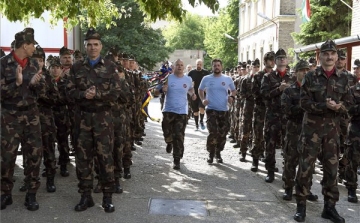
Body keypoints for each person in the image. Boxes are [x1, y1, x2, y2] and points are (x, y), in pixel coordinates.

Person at [294, 40, 353, 223]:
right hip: (311, 130)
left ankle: (329, 208)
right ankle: (301, 206)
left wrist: (340, 107)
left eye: (332, 54)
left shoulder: (344, 78)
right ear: (320, 57)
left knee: (331, 170)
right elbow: (303, 102)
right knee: (305, 168)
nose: (329, 56)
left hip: (332, 133)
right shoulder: (310, 76)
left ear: (336, 56)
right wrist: (323, 106)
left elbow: (350, 104)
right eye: (326, 53)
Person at [66, 27, 121, 213]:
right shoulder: (76, 67)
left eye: (95, 44)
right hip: (82, 119)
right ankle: (85, 196)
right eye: (89, 44)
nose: (92, 47)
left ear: (101, 46)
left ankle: (107, 197)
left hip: (103, 119)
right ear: (85, 47)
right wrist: (83, 94)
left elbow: (116, 93)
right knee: (83, 159)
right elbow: (68, 92)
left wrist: (98, 94)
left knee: (105, 158)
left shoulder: (110, 66)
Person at [1, 27, 44, 211]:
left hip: (31, 116)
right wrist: (16, 84)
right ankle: (5, 194)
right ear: (25, 45)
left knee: (33, 155)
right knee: (7, 157)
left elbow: (42, 91)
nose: (34, 47)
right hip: (10, 117)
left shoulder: (35, 65)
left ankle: (31, 194)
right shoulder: (3, 64)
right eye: (32, 44)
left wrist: (35, 84)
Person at [280, 59, 318, 201]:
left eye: (307, 70)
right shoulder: (290, 91)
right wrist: (304, 106)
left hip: (310, 132)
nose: (305, 73)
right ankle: (288, 188)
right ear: (296, 73)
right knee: (291, 160)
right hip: (294, 131)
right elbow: (286, 111)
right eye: (302, 70)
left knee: (308, 164)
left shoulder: (314, 91)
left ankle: (305, 190)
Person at [260, 48, 294, 183]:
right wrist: (278, 89)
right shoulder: (268, 77)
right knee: (270, 144)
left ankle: (288, 173)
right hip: (273, 115)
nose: (281, 60)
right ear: (275, 61)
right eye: (279, 58)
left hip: (288, 117)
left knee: (288, 146)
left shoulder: (292, 77)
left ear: (287, 60)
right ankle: (270, 171)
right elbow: (264, 95)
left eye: (283, 58)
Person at [155, 59, 196, 169]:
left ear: (184, 67)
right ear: (174, 67)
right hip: (168, 110)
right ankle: (169, 142)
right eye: (177, 65)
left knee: (179, 135)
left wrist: (193, 95)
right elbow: (156, 91)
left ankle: (176, 159)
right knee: (166, 129)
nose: (179, 67)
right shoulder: (168, 78)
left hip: (182, 112)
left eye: (181, 65)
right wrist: (162, 89)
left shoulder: (188, 79)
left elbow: (191, 89)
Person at [198, 59, 236, 164]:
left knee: (223, 133)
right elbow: (200, 89)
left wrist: (231, 96)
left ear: (221, 67)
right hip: (211, 109)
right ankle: (211, 154)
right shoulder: (206, 78)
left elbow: (233, 90)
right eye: (215, 66)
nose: (217, 67)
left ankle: (218, 152)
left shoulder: (227, 79)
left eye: (218, 65)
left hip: (223, 110)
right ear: (212, 67)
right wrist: (203, 99)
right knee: (213, 132)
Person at [250, 51, 275, 172]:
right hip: (260, 109)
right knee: (258, 135)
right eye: (270, 60)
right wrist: (267, 96)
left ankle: (270, 162)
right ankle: (255, 160)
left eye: (274, 60)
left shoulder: (276, 75)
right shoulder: (259, 75)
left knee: (270, 137)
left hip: (272, 111)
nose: (272, 62)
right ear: (265, 61)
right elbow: (254, 92)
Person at [344, 58, 360, 203]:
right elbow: (349, 109)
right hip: (356, 129)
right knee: (353, 160)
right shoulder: (353, 90)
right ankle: (351, 189)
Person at [238, 59, 260, 162]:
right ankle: (243, 152)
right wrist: (252, 95)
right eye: (254, 66)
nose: (255, 68)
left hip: (259, 108)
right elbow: (241, 94)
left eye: (257, 67)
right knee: (245, 131)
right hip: (248, 107)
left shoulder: (261, 79)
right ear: (250, 67)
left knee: (258, 132)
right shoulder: (245, 79)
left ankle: (258, 153)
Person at [188, 59, 209, 130]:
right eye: (197, 64)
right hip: (194, 94)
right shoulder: (191, 73)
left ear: (202, 64)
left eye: (200, 64)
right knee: (195, 111)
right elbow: (187, 81)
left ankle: (201, 121)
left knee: (201, 108)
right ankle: (196, 125)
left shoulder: (206, 73)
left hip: (203, 93)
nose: (199, 66)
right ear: (195, 64)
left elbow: (210, 82)